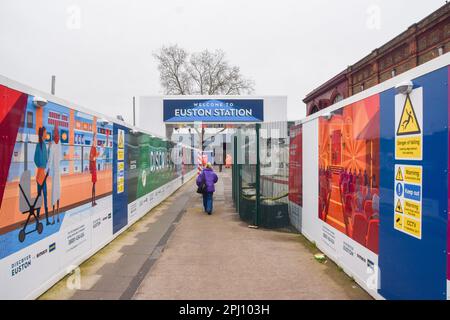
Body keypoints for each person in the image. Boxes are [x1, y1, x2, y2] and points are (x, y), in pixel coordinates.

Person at [34, 126, 51, 225]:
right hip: (42, 174)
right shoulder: (41, 145)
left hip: (40, 174)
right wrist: (42, 167)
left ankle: (38, 218)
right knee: (44, 195)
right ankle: (45, 219)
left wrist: (40, 167)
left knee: (39, 196)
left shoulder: (41, 145)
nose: (46, 134)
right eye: (45, 133)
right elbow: (45, 159)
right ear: (42, 134)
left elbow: (36, 159)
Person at [48, 125, 62, 223]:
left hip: (54, 173)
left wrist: (47, 169)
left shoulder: (53, 144)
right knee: (57, 194)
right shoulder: (58, 144)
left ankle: (54, 217)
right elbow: (59, 158)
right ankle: (56, 216)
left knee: (54, 193)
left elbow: (50, 160)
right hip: (58, 172)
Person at [89, 133, 99, 206]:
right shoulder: (93, 148)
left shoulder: (93, 148)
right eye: (95, 139)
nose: (96, 141)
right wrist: (98, 154)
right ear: (93, 140)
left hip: (94, 168)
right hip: (93, 169)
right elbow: (92, 158)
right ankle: (93, 201)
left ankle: (94, 201)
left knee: (94, 185)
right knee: (94, 184)